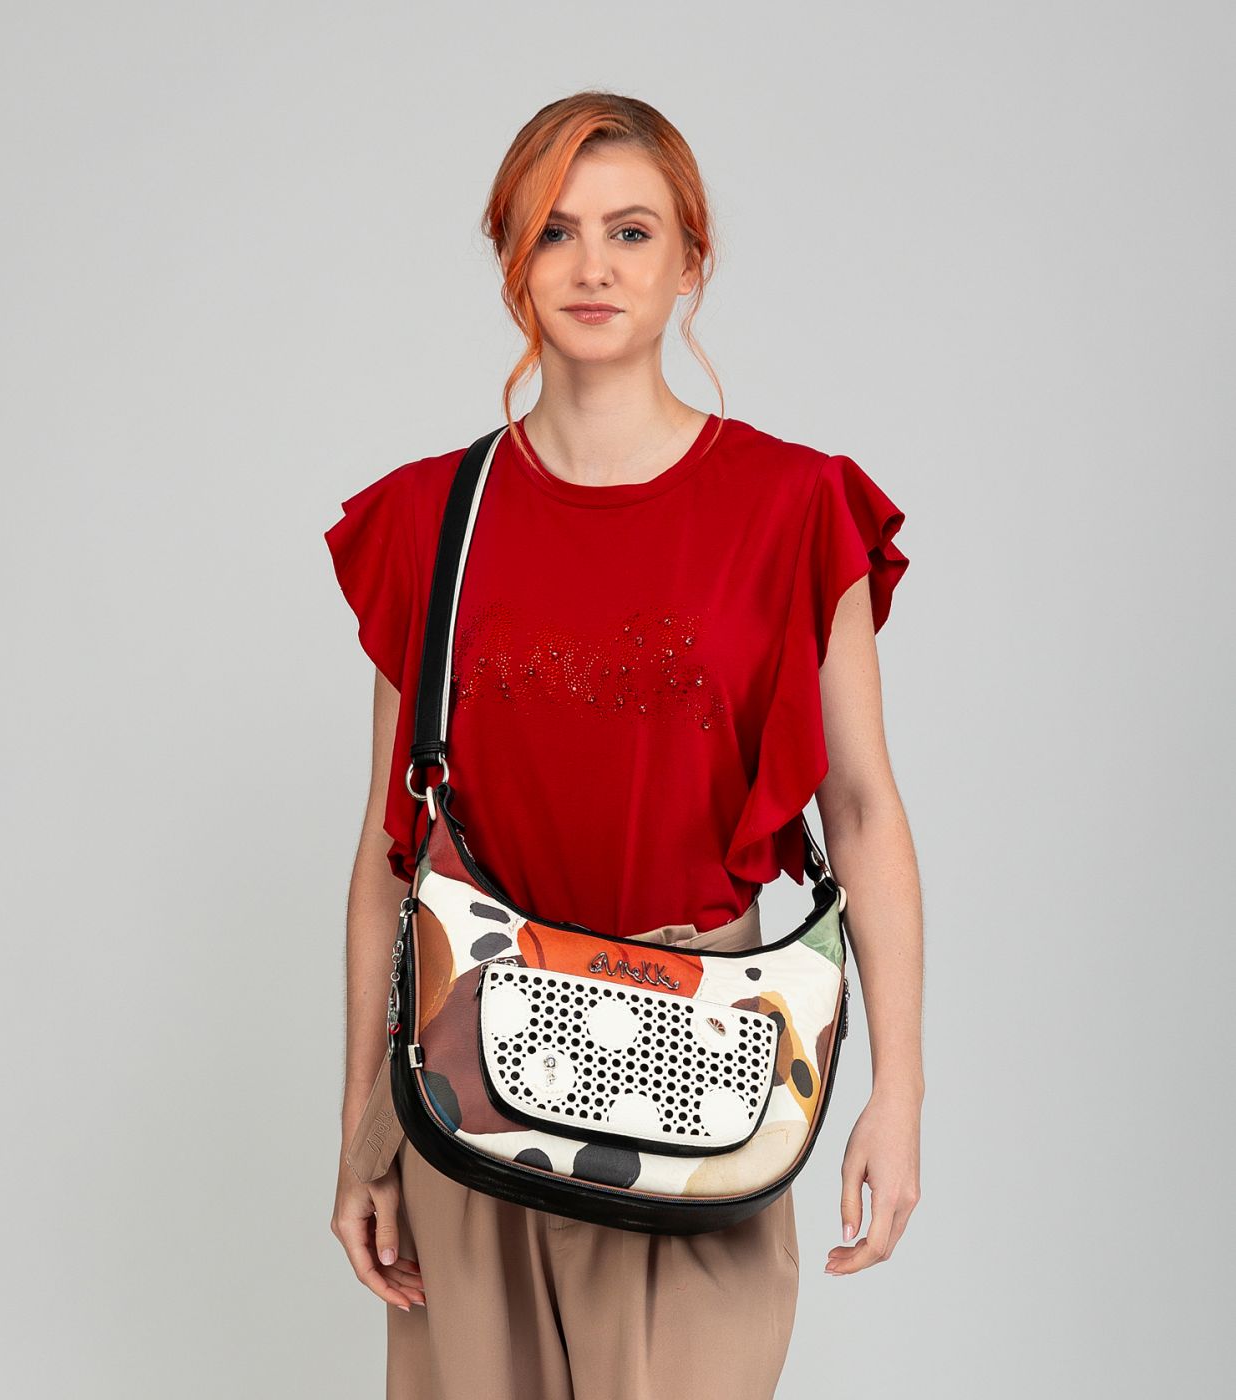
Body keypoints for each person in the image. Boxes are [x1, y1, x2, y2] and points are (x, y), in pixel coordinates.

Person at [325, 91, 924, 1400]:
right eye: (554, 231)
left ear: (691, 260)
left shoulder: (792, 505)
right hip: (468, 1078)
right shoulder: (428, 520)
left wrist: (899, 1091)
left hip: (700, 1077)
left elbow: (863, 810)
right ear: (510, 259)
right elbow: (389, 852)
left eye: (631, 231)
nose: (591, 266)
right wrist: (363, 1133)